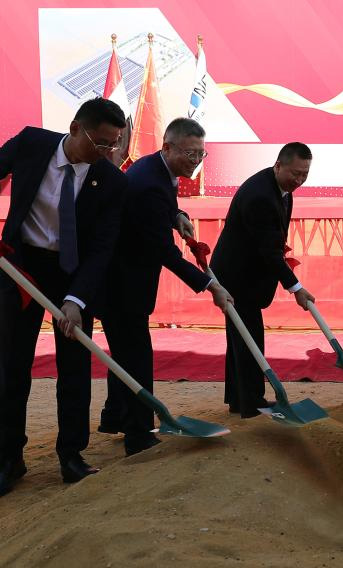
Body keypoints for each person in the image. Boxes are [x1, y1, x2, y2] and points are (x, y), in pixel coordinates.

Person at [0, 98, 128, 494]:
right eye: (100, 142)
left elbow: (102, 248)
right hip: (21, 268)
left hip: (72, 274)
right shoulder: (31, 144)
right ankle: (8, 457)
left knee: (74, 368)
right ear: (75, 128)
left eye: (114, 144)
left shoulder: (111, 180)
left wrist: (76, 300)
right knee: (10, 365)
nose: (106, 151)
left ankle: (71, 454)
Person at [98, 118, 233, 454]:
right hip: (121, 284)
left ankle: (115, 416)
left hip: (127, 279)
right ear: (168, 147)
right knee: (136, 357)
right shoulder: (148, 182)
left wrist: (177, 215)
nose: (195, 161)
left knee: (126, 353)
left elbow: (161, 205)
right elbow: (165, 252)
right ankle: (139, 434)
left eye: (200, 154)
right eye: (190, 154)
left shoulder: (157, 170)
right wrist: (210, 285)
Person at [210, 143, 315, 417]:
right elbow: (270, 252)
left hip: (246, 270)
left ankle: (240, 398)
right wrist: (296, 288)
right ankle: (251, 403)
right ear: (278, 165)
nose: (299, 180)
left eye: (304, 174)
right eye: (295, 173)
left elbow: (273, 243)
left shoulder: (280, 188)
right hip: (237, 275)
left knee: (241, 337)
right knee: (248, 339)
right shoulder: (261, 196)